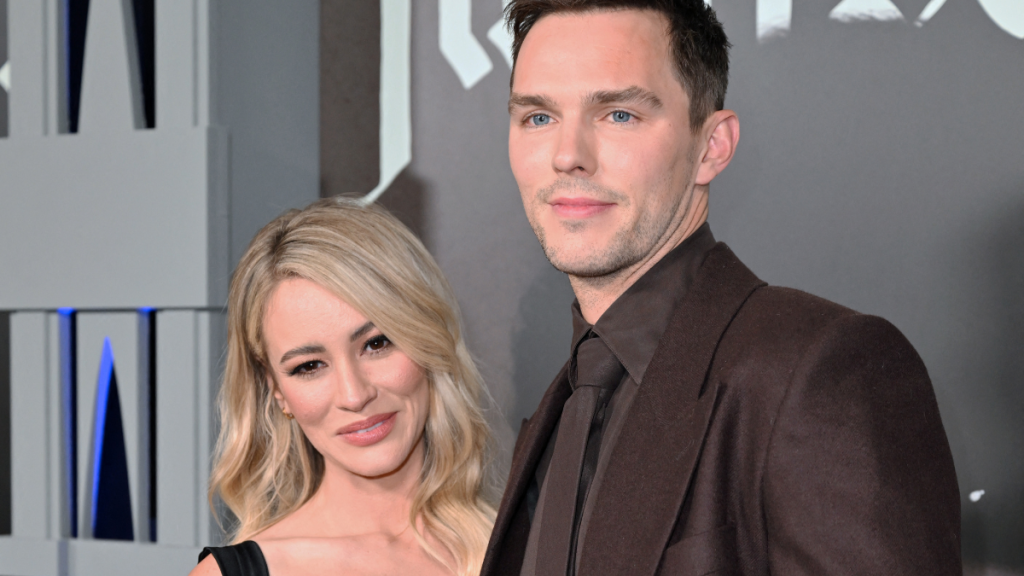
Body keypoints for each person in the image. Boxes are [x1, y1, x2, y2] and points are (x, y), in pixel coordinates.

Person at [483, 1, 961, 575]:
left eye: (618, 115)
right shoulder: (557, 412)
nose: (568, 156)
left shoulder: (817, 371)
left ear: (712, 146)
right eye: (538, 117)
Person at [191, 197, 497, 576]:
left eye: (376, 343)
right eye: (309, 366)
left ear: (427, 339)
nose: (355, 395)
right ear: (277, 391)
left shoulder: (525, 545)